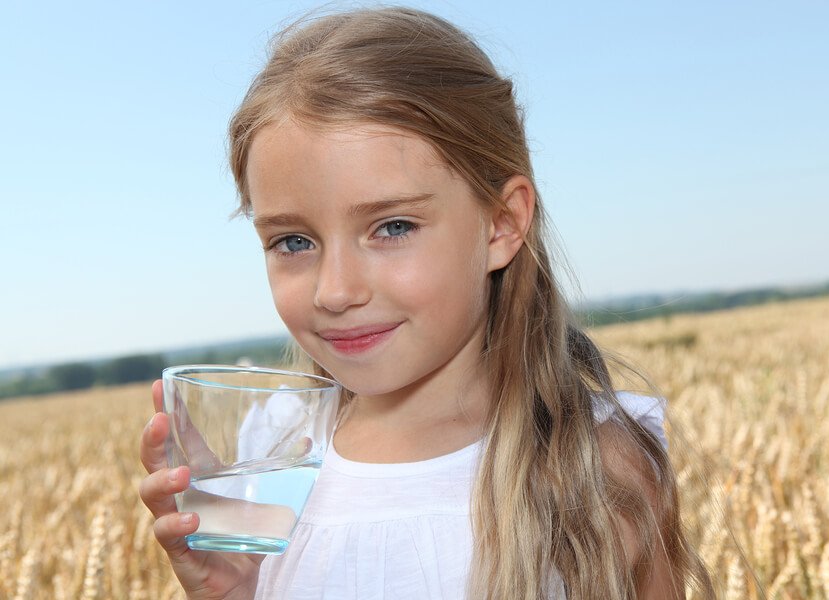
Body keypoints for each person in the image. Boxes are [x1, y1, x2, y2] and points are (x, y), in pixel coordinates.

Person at [139, 6, 713, 599]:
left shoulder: (595, 468)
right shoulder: (271, 459)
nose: (334, 290)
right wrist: (236, 595)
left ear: (500, 224)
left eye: (392, 228)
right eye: (293, 241)